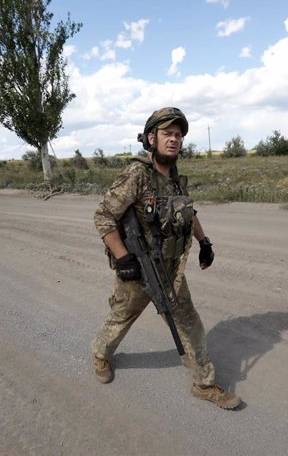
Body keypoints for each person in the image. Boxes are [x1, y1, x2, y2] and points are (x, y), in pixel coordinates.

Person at [91, 107, 241, 410]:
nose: (174, 139)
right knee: (120, 318)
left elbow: (188, 212)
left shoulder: (174, 177)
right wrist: (123, 259)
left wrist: (204, 241)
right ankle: (100, 355)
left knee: (189, 322)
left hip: (171, 268)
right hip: (138, 270)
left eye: (178, 135)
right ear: (151, 138)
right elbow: (104, 216)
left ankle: (204, 382)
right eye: (167, 134)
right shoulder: (136, 173)